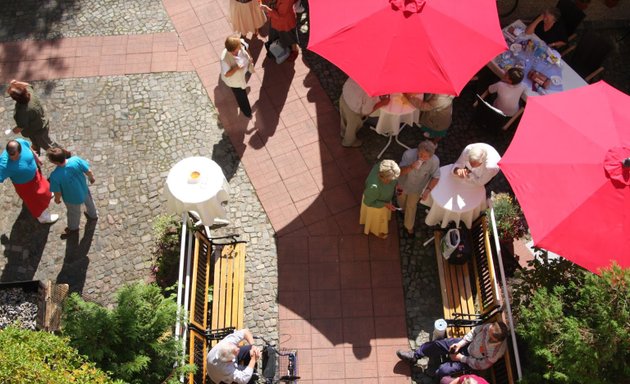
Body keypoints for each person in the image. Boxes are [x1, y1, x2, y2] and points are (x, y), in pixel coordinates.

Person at [396, 321, 508, 380]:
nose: (487, 333)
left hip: (470, 361)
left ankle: (435, 375)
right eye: (488, 331)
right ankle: (415, 356)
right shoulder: (490, 327)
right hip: (467, 345)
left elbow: (480, 365)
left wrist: (461, 358)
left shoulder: (495, 353)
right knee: (438, 344)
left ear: (496, 339)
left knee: (443, 371)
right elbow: (474, 332)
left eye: (490, 335)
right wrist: (460, 344)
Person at [0, 139, 58, 224]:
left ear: (19, 150)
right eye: (10, 155)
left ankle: (47, 195)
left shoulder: (20, 142)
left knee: (45, 188)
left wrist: (36, 158)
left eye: (14, 155)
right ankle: (43, 217)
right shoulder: (4, 164)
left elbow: (29, 147)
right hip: (26, 186)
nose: (12, 158)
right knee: (35, 203)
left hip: (36, 176)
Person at [47, 148, 98, 238]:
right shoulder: (76, 160)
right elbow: (88, 171)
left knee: (73, 214)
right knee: (90, 203)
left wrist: (57, 199)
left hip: (71, 198)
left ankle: (73, 228)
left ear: (55, 162)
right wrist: (91, 178)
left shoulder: (55, 176)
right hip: (84, 189)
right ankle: (93, 215)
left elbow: (57, 192)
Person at [397, 140, 440, 238]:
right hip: (402, 185)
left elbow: (436, 177)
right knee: (401, 202)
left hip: (417, 188)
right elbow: (399, 172)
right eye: (420, 154)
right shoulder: (408, 155)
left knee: (411, 207)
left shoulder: (434, 161)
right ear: (417, 151)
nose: (422, 157)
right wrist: (411, 166)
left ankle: (409, 227)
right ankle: (402, 211)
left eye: (425, 156)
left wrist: (428, 190)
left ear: (431, 156)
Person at [6, 79, 59, 155]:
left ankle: (63, 156)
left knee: (49, 146)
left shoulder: (22, 112)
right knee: (35, 143)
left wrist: (12, 131)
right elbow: (27, 85)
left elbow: (21, 127)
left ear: (16, 98)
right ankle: (35, 151)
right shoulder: (30, 93)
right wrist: (17, 83)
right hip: (39, 123)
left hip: (38, 131)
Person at [339, 78, 390, 147]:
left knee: (344, 118)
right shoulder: (371, 92)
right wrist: (382, 103)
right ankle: (348, 142)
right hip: (353, 110)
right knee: (351, 127)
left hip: (344, 97)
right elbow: (366, 111)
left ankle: (343, 132)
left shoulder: (363, 74)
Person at [360, 160, 400, 239]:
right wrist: (385, 204)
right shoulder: (374, 187)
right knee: (376, 220)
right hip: (375, 206)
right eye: (390, 180)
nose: (393, 181)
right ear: (381, 176)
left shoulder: (384, 166)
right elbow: (368, 202)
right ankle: (376, 231)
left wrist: (397, 185)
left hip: (383, 199)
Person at [220, 35, 255, 119]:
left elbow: (246, 48)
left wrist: (250, 57)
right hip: (234, 81)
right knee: (241, 96)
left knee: (243, 85)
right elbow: (227, 74)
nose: (238, 50)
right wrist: (236, 68)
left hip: (243, 72)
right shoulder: (224, 59)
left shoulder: (240, 43)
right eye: (235, 51)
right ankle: (247, 111)